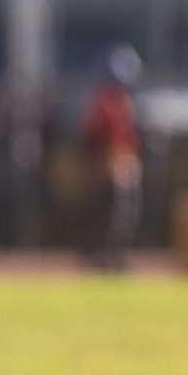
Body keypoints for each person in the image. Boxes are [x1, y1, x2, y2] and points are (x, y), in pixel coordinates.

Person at [80, 43, 142, 270]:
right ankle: (102, 257)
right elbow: (97, 140)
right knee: (109, 218)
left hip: (121, 167)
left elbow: (129, 140)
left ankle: (112, 256)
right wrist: (108, 166)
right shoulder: (105, 104)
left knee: (123, 217)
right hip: (109, 169)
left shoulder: (122, 102)